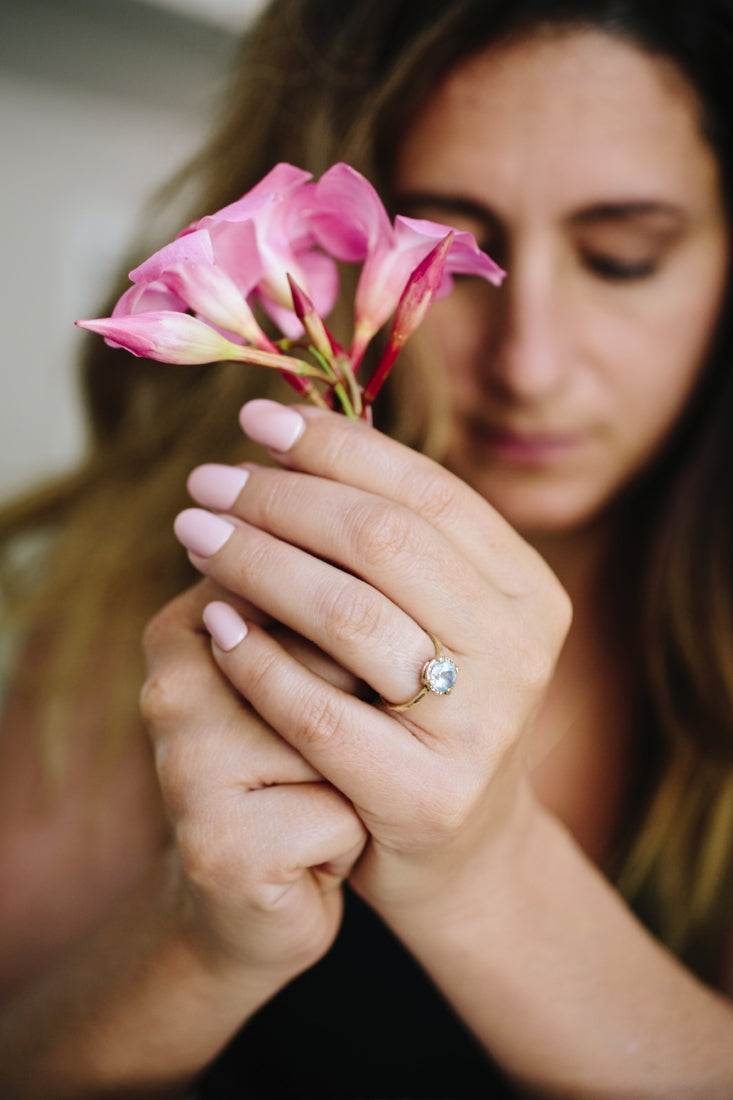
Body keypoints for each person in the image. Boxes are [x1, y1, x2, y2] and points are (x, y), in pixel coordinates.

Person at [1, 0, 733, 1095]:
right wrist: (202, 944)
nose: (528, 361)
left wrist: (485, 868)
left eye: (622, 258)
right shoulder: (145, 601)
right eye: (449, 237)